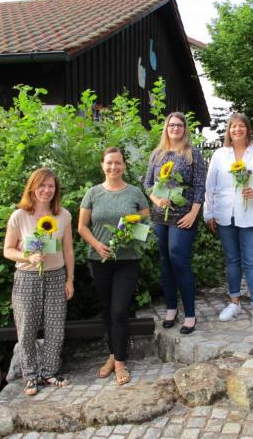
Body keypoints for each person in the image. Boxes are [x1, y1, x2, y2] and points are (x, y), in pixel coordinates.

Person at [78, 147, 150, 385]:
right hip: (99, 260)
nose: (113, 167)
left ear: (124, 166)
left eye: (118, 163)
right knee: (108, 311)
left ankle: (120, 362)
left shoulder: (135, 192)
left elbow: (145, 216)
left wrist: (134, 234)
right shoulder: (92, 193)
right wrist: (97, 245)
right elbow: (82, 227)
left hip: (127, 261)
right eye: (109, 163)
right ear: (102, 165)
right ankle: (112, 355)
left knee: (119, 310)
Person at [3, 167, 75, 396]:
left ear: (56, 190)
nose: (46, 190)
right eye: (42, 185)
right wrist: (28, 256)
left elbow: (69, 250)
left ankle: (49, 372)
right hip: (26, 277)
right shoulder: (19, 216)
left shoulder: (63, 215)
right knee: (26, 330)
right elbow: (7, 250)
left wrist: (70, 279)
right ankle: (31, 376)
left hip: (55, 275)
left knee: (55, 327)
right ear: (32, 187)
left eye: (51, 186)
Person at [204, 113, 253, 326]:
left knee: (251, 261)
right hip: (225, 215)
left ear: (247, 129)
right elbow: (210, 186)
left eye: (241, 126)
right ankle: (234, 302)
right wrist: (209, 213)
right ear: (228, 130)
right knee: (232, 261)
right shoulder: (219, 155)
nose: (237, 130)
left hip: (251, 215)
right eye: (233, 126)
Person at [144, 112, 206, 334]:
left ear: (184, 129)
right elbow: (148, 183)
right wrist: (156, 199)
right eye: (172, 125)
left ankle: (190, 313)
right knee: (165, 261)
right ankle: (171, 308)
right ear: (166, 128)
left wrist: (193, 213)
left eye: (179, 125)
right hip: (161, 215)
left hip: (183, 215)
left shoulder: (193, 154)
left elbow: (200, 187)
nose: (175, 128)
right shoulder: (157, 154)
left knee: (178, 258)